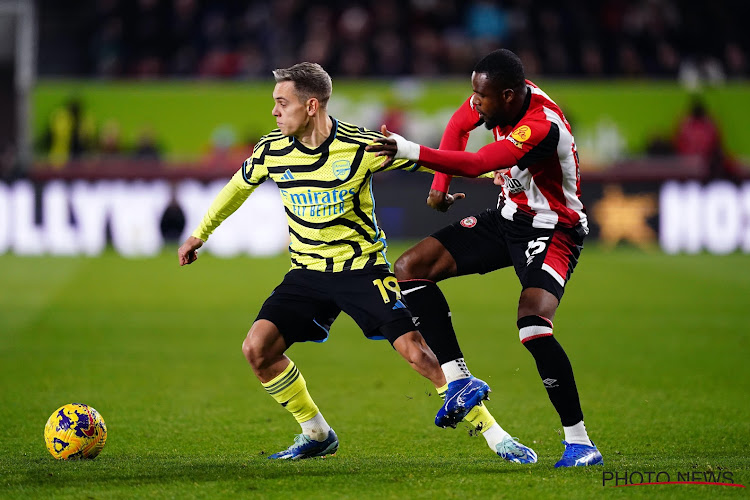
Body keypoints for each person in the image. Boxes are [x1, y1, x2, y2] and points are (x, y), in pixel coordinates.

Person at [177, 62, 535, 462]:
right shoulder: (270, 150)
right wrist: (200, 234)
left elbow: (433, 159)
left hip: (362, 270)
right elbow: (236, 188)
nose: (275, 112)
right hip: (307, 273)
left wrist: (491, 177)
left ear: (311, 106)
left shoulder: (362, 145)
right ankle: (316, 433)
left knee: (418, 353)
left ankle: (496, 435)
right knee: (257, 349)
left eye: (282, 103)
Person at [366, 49, 603, 467]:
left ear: (509, 96)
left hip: (553, 229)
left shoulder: (540, 126)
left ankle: (580, 442)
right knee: (410, 269)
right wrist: (439, 187)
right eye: (472, 92)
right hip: (509, 218)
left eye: (482, 97)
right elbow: (458, 126)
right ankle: (459, 381)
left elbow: (477, 163)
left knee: (532, 326)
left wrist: (409, 151)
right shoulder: (496, 99)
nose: (474, 103)